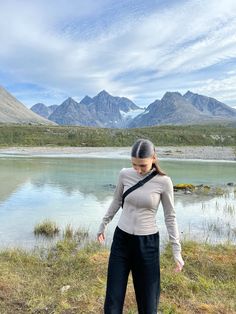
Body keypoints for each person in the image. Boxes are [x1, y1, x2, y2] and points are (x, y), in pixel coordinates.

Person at [97, 139, 184, 314]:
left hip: (147, 245)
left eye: (142, 166)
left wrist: (177, 251)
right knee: (113, 299)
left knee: (148, 302)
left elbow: (170, 216)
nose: (138, 170)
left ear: (154, 158)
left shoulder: (164, 182)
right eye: (134, 164)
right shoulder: (124, 174)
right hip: (122, 241)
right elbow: (116, 200)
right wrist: (103, 224)